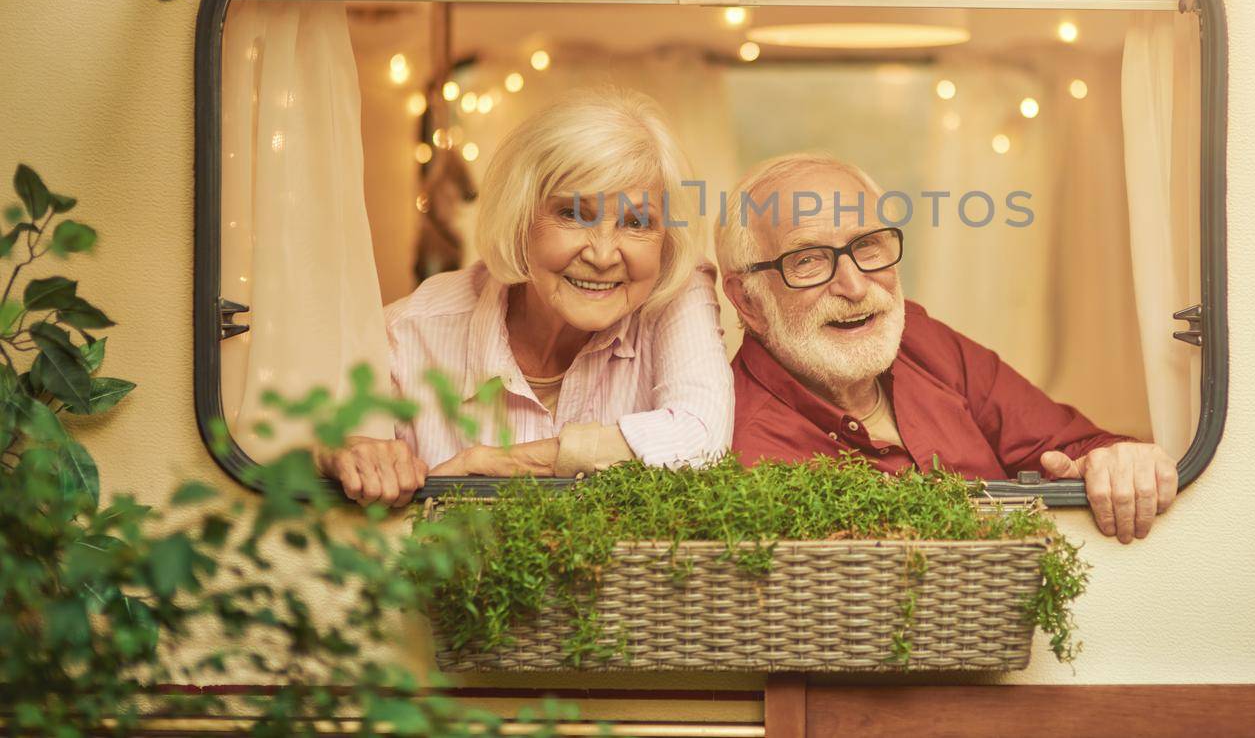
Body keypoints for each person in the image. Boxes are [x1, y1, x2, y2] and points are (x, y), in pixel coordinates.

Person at [716, 153, 1178, 543]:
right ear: (747, 300)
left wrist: (1116, 460)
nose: (854, 286)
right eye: (809, 260)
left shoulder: (918, 338)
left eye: (869, 246)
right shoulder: (736, 445)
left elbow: (1073, 446)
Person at [317, 88, 734, 507]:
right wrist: (338, 452)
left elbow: (702, 441)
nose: (604, 255)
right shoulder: (408, 335)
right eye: (572, 214)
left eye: (637, 222)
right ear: (520, 219)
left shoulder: (675, 292)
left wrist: (496, 465)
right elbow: (301, 437)